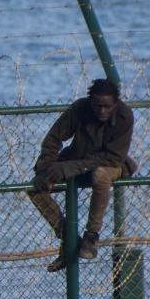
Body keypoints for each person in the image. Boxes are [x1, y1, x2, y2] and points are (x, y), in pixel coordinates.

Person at [27, 78, 135, 273]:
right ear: (90, 102)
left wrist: (69, 168)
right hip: (77, 159)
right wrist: (45, 167)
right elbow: (53, 138)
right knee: (36, 187)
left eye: (107, 107)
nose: (102, 111)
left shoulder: (124, 117)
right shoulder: (79, 109)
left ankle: (91, 235)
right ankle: (69, 238)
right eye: (97, 106)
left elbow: (112, 157)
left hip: (110, 164)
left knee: (101, 176)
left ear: (115, 104)